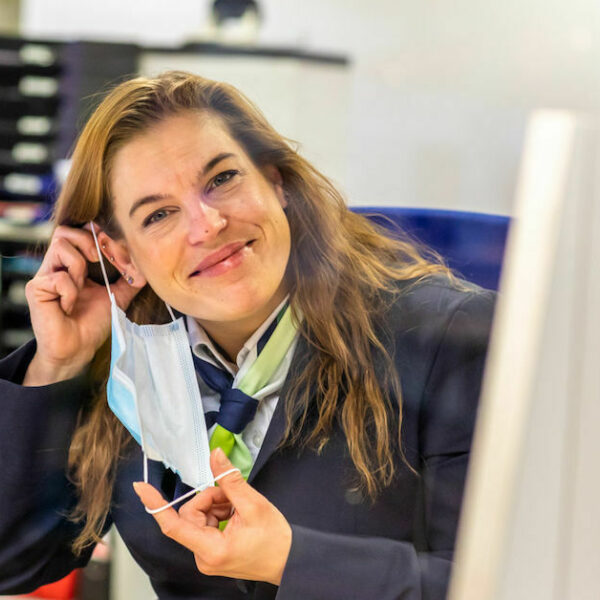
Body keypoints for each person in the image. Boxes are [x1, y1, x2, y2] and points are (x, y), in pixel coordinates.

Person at [0, 71, 495, 600]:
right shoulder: (130, 367)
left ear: (276, 181)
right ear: (121, 257)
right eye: (160, 214)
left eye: (221, 180)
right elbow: (13, 563)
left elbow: (507, 583)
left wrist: (292, 561)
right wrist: (58, 364)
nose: (207, 223)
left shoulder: (449, 340)